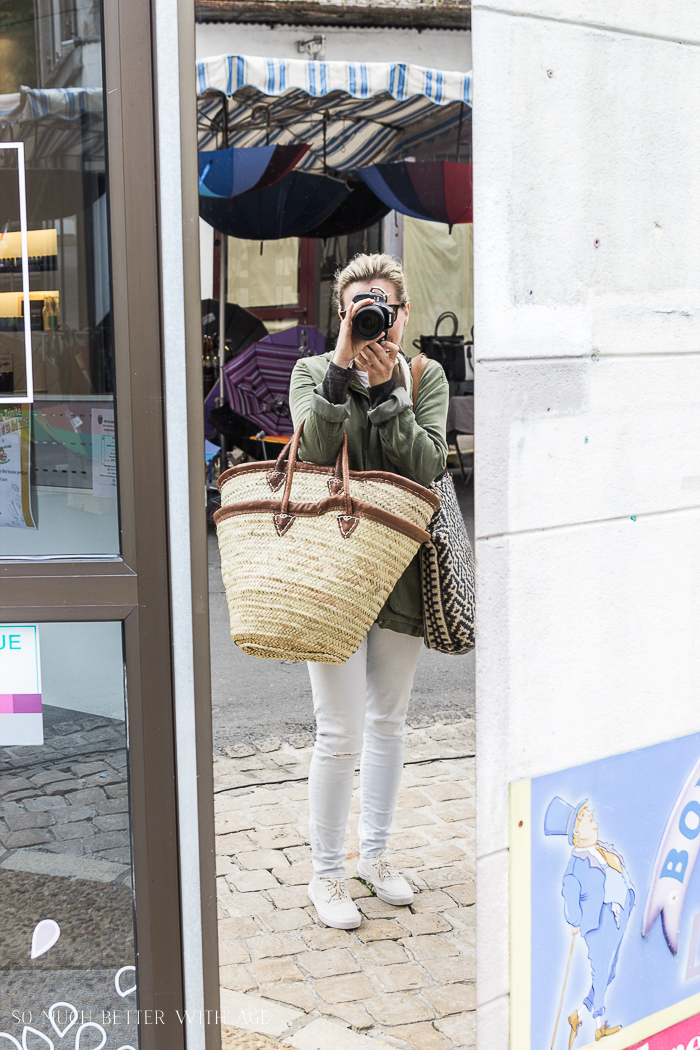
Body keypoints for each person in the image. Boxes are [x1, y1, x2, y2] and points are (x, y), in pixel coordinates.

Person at [289, 253, 449, 929]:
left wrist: (389, 397)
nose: (373, 319)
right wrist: (342, 375)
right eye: (359, 308)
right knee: (340, 730)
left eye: (382, 306)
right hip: (333, 575)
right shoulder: (311, 373)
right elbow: (313, 449)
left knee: (387, 724)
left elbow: (429, 465)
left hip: (402, 577)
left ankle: (375, 857)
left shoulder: (423, 374)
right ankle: (326, 875)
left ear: (403, 312)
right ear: (342, 313)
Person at [544, 796, 635, 1045]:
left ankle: (578, 1015)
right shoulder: (575, 868)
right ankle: (598, 1025)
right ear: (576, 831)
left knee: (610, 972)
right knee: (601, 971)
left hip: (617, 915)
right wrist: (575, 922)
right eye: (589, 819)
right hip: (599, 922)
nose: (595, 822)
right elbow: (570, 898)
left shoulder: (601, 849)